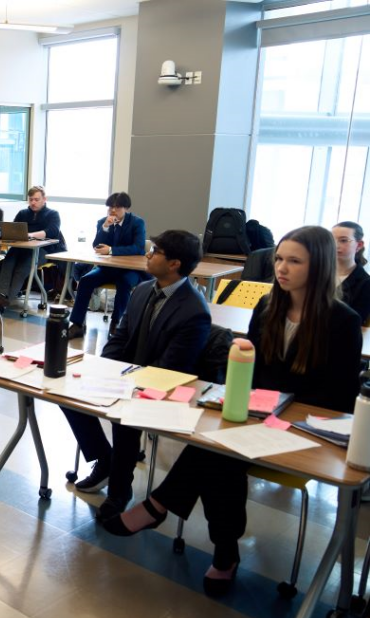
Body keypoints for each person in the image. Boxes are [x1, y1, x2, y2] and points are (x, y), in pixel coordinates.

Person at [107, 226, 364, 596]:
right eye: (279, 258)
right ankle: (222, 552)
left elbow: (338, 399)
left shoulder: (343, 320)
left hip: (306, 429)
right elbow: (256, 371)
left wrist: (278, 410)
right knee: (219, 452)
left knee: (220, 455)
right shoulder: (268, 306)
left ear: (319, 265)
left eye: (294, 261)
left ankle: (168, 510)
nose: (281, 268)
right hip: (263, 415)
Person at [64, 231, 211, 520]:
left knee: (126, 414)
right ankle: (104, 459)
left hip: (162, 387)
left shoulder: (194, 311)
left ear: (174, 264)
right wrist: (103, 371)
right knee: (67, 393)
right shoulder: (142, 290)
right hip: (129, 376)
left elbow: (171, 367)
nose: (147, 254)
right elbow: (120, 339)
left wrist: (125, 383)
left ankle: (120, 489)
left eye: (155, 251)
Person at [68, 192, 147, 339]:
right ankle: (78, 324)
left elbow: (139, 248)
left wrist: (111, 250)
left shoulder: (137, 223)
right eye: (110, 207)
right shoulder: (103, 222)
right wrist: (104, 228)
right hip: (107, 268)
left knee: (124, 283)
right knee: (85, 280)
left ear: (126, 208)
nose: (112, 211)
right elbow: (96, 246)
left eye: (117, 207)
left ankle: (116, 322)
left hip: (129, 270)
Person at [0, 186, 66, 311]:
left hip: (43, 250)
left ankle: (6, 300)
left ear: (44, 199)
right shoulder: (23, 214)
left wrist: (31, 235)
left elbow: (52, 231)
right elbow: (13, 228)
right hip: (21, 248)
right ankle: (0, 295)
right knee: (8, 262)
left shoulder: (53, 214)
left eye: (36, 199)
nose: (33, 202)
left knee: (22, 268)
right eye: (31, 199)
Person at [334, 221, 370, 324]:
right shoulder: (318, 274)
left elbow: (355, 321)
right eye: (332, 240)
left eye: (343, 240)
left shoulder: (366, 283)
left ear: (359, 245)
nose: (336, 245)